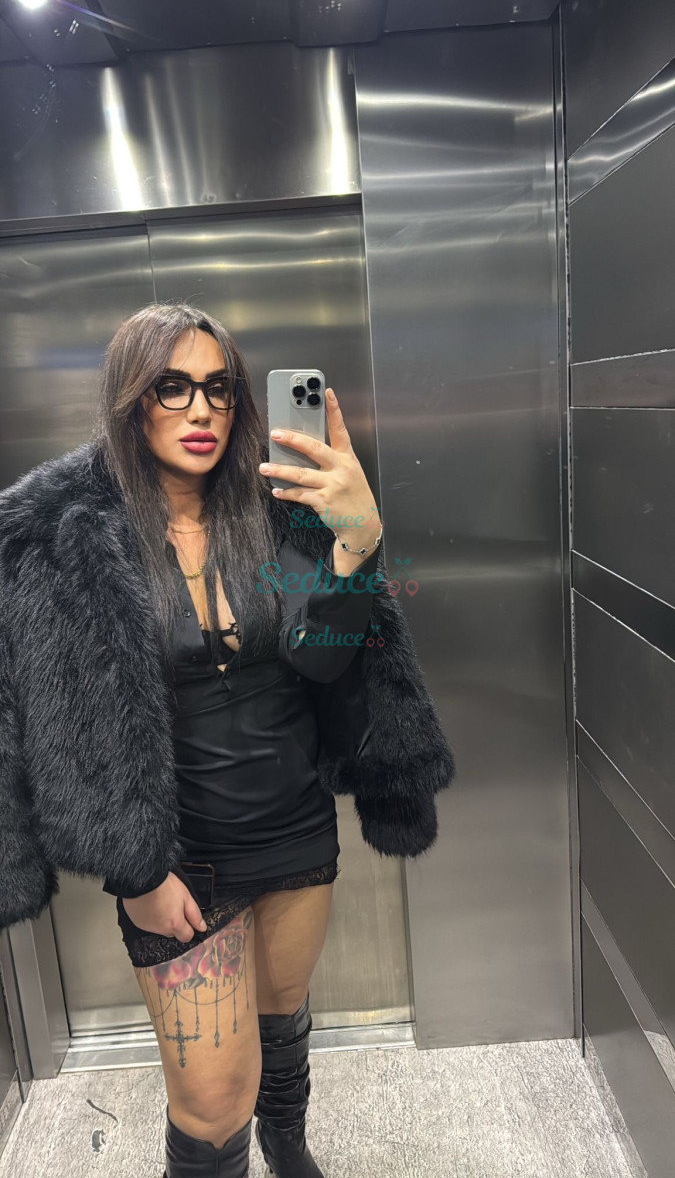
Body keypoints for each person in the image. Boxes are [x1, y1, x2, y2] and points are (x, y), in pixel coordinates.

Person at [0, 303, 455, 1178]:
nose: (201, 410)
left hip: (295, 832)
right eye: (172, 387)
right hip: (181, 865)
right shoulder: (62, 535)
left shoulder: (278, 511)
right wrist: (136, 873)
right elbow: (52, 715)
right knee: (212, 1103)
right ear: (131, 398)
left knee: (282, 1024)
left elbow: (321, 659)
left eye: (219, 388)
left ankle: (289, 1148)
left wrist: (356, 544)